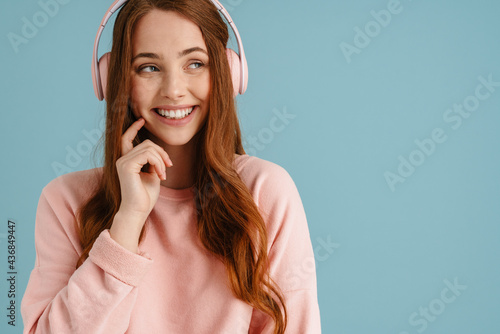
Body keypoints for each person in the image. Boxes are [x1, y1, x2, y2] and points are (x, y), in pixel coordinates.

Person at [21, 0, 321, 333]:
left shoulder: (266, 192)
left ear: (226, 72)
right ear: (114, 79)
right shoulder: (65, 201)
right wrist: (128, 221)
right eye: (149, 67)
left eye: (195, 63)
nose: (174, 90)